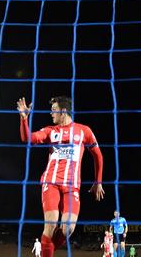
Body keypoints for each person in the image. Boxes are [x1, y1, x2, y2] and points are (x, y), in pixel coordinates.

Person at [17, 96, 104, 257]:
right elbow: (27, 138)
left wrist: (98, 182)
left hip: (72, 186)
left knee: (68, 228)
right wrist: (24, 119)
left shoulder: (84, 131)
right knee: (51, 224)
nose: (51, 113)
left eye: (54, 110)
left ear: (63, 111)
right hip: (51, 182)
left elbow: (98, 155)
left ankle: (45, 251)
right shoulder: (50, 131)